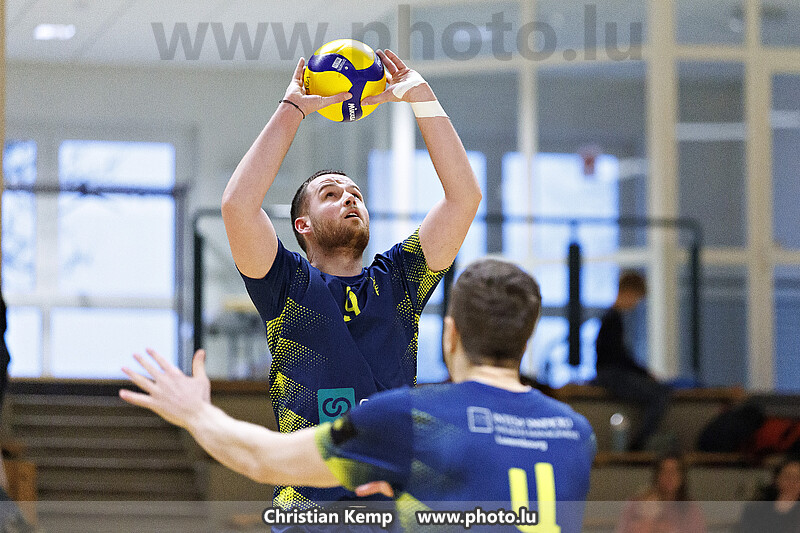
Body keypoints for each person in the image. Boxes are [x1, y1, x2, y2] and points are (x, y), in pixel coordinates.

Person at [120, 259, 596, 532]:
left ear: (449, 335)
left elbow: (263, 459)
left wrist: (196, 412)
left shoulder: (415, 419)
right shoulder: (575, 433)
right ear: (527, 341)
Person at [220, 48, 481, 513]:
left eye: (355, 194)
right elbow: (238, 206)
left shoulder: (399, 280)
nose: (349, 199)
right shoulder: (287, 285)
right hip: (308, 512)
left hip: (390, 509)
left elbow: (464, 198)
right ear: (302, 225)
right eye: (330, 194)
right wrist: (293, 109)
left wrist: (422, 98)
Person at [594, 271, 670, 451]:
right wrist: (644, 373)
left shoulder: (614, 319)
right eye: (636, 298)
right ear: (628, 292)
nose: (635, 304)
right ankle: (639, 445)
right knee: (660, 394)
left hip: (611, 373)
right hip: (611, 375)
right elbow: (617, 357)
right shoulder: (612, 319)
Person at [615, 453, 706, 533]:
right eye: (664, 471)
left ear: (682, 477)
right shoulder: (636, 503)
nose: (669, 477)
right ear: (656, 475)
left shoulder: (690, 508)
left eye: (674, 471)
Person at [735, 458, 800, 533]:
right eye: (788, 477)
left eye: (797, 478)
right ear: (777, 479)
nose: (792, 482)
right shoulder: (755, 509)